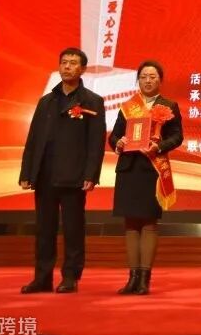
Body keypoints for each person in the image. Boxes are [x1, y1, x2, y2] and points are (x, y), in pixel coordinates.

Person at [18, 47, 106, 294]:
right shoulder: (46, 101)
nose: (67, 66)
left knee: (73, 229)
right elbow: (33, 139)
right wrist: (27, 172)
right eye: (64, 62)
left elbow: (95, 143)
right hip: (45, 174)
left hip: (74, 175)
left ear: (83, 69)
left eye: (73, 63)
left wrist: (91, 174)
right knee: (44, 229)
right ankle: (42, 278)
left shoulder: (92, 101)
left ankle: (70, 276)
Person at [108, 60, 183, 295]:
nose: (148, 80)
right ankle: (132, 278)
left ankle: (144, 279)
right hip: (128, 169)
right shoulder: (127, 106)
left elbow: (177, 136)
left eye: (152, 76)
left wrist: (159, 146)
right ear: (138, 80)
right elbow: (114, 136)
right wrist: (118, 142)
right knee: (130, 223)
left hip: (152, 169)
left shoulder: (169, 105)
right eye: (143, 77)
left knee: (149, 222)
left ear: (160, 80)